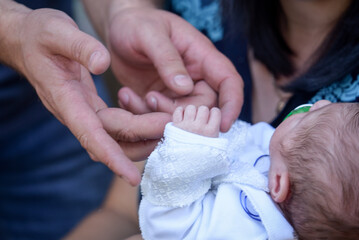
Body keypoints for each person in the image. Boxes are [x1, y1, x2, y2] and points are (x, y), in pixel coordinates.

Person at [0, 0, 244, 239]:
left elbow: (119, 212)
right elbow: (121, 210)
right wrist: (13, 29)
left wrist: (125, 10)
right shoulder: (209, 30)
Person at [140, 101, 359, 240]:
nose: (319, 102)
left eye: (305, 119)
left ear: (279, 184)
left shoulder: (237, 230)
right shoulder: (286, 159)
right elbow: (242, 137)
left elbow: (165, 225)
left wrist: (187, 148)